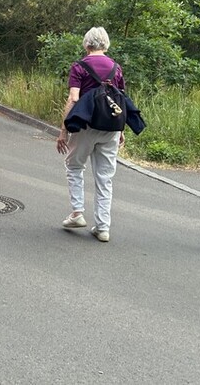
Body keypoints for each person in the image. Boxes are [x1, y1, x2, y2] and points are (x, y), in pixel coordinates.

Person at [55, 27, 125, 242]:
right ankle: (103, 227)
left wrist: (64, 130)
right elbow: (120, 99)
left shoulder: (79, 66)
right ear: (106, 44)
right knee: (105, 177)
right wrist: (121, 130)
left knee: (74, 165)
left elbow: (74, 98)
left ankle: (77, 212)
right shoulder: (116, 68)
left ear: (87, 44)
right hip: (111, 127)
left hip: (85, 126)